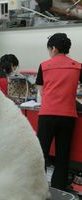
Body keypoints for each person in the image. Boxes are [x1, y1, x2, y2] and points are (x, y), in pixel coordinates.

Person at [35, 33, 82, 191]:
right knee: (63, 155)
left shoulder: (44, 66)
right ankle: (59, 188)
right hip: (68, 116)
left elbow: (41, 92)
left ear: (53, 48)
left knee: (41, 153)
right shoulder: (78, 66)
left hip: (47, 114)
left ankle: (38, 187)